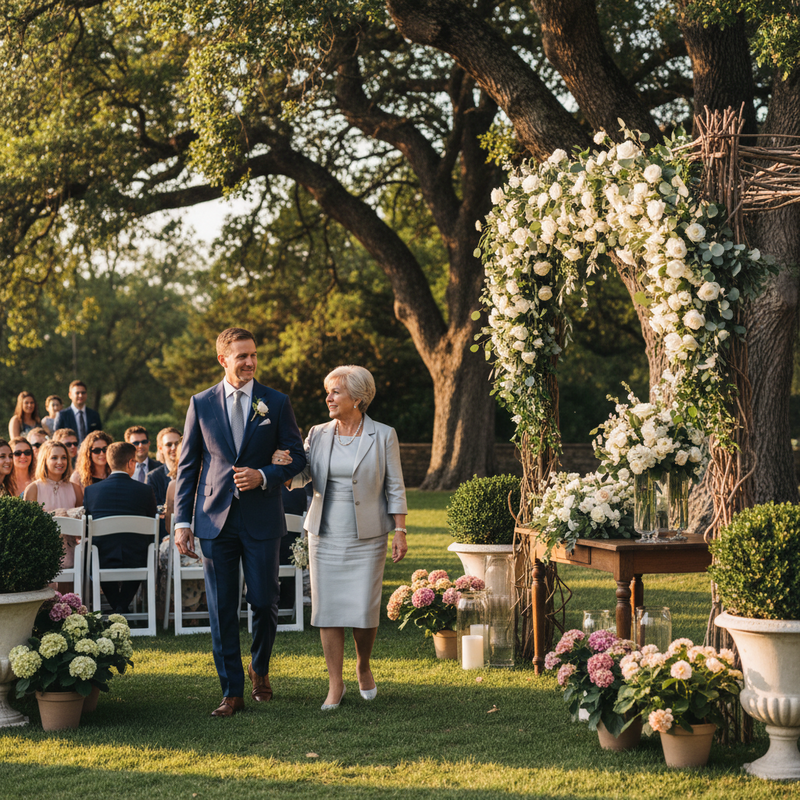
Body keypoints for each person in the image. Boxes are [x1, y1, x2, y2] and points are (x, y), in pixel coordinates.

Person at [175, 326, 306, 718]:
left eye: (253, 355)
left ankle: (259, 668)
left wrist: (264, 475)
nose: (249, 362)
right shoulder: (200, 404)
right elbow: (187, 467)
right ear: (223, 360)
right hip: (214, 520)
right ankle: (231, 690)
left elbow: (297, 457)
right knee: (221, 607)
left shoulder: (276, 402)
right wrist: (182, 521)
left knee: (265, 601)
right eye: (241, 356)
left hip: (262, 517)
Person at [273, 365, 408, 710]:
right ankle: (336, 684)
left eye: (335, 392)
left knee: (364, 609)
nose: (328, 398)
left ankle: (363, 665)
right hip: (325, 529)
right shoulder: (317, 433)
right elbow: (304, 475)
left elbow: (394, 485)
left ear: (358, 398)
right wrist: (285, 467)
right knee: (328, 609)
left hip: (369, 532)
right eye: (327, 391)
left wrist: (401, 530)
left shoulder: (384, 434)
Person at [83, 441, 158, 614]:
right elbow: (151, 524)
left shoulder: (91, 491)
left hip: (103, 558)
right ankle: (121, 606)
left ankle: (117, 605)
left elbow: (88, 528)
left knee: (96, 549)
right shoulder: (145, 491)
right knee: (143, 545)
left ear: (109, 462)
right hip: (138, 558)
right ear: (131, 462)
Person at [23, 440, 84, 568]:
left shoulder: (75, 489)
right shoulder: (33, 488)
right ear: (44, 460)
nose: (60, 462)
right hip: (42, 553)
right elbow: (28, 529)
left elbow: (81, 529)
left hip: (72, 554)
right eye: (54, 458)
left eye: (64, 458)